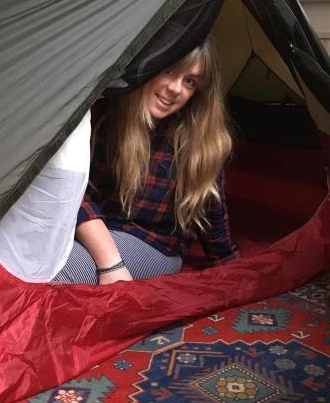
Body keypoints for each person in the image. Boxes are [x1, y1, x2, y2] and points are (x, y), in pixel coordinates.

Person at [52, 36, 236, 285]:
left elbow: (213, 212)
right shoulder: (102, 117)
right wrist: (110, 263)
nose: (176, 89)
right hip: (81, 227)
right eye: (169, 70)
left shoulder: (198, 139)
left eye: (190, 81)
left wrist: (231, 269)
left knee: (54, 273)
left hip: (150, 243)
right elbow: (70, 191)